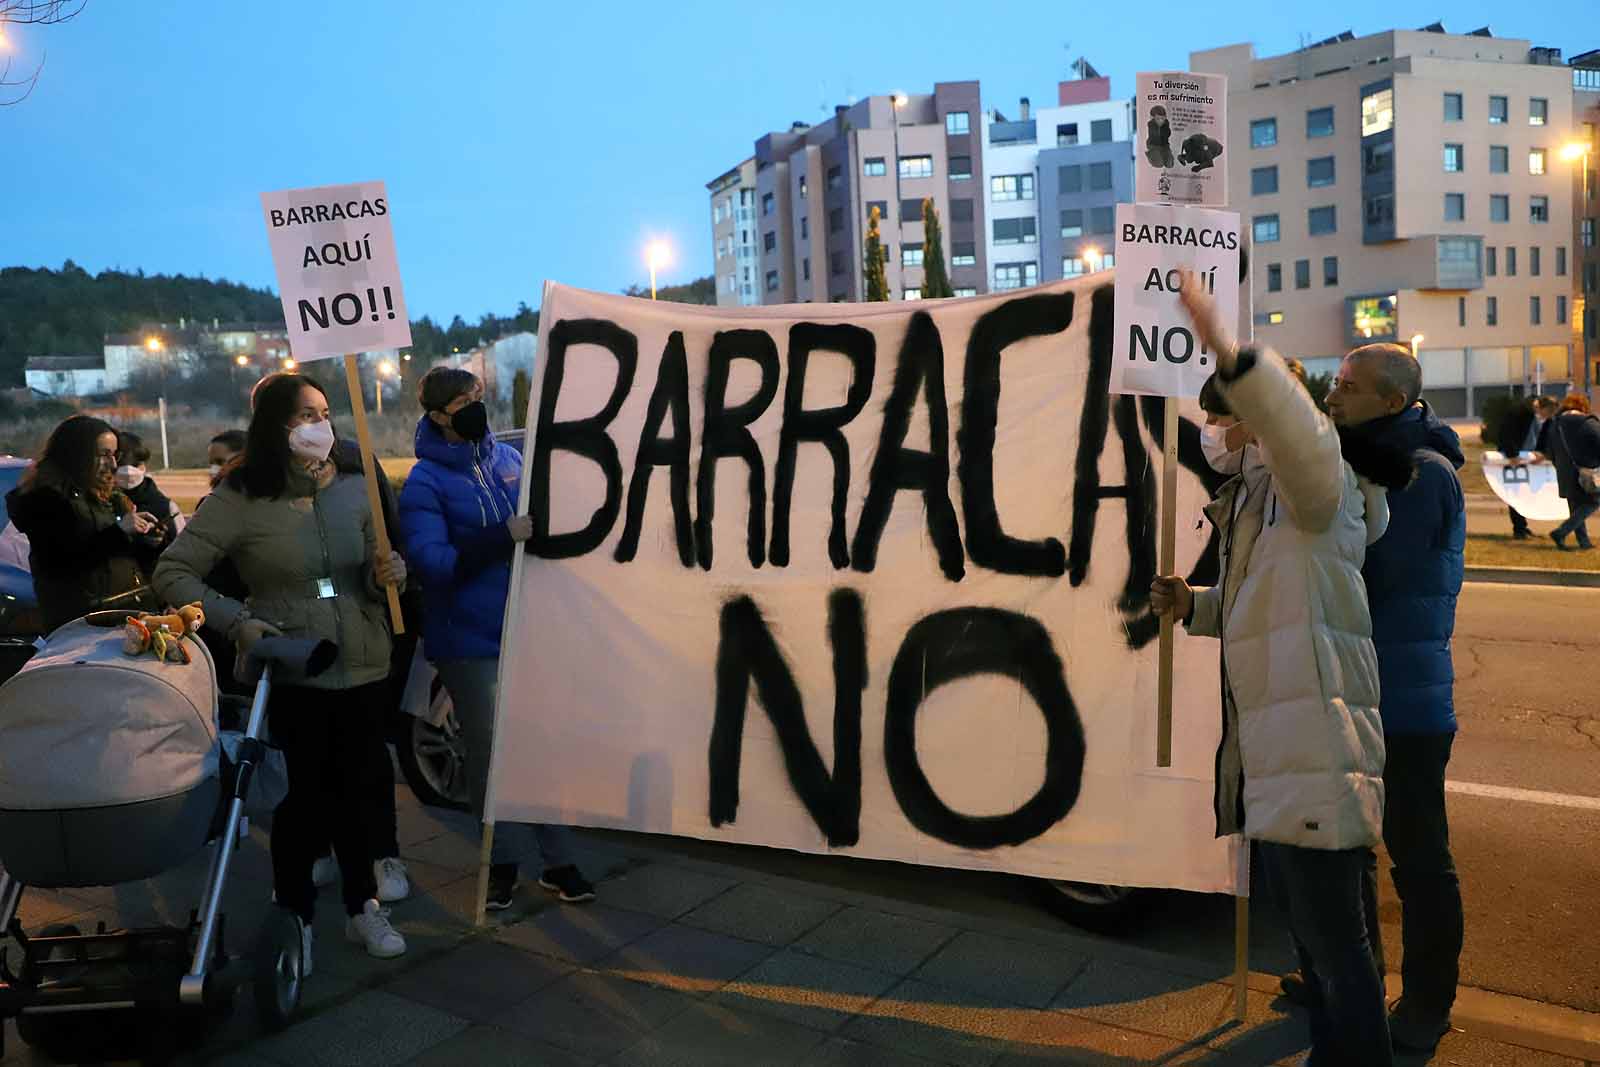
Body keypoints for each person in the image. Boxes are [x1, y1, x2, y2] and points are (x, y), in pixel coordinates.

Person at [1150, 273, 1394, 1067]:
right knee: (1332, 947)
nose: (1218, 426)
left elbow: (1299, 434)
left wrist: (1229, 348)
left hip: (1317, 752)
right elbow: (1266, 600)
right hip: (1291, 753)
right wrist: (1195, 604)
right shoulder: (1262, 498)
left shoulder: (1320, 485)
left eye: (1230, 413)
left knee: (1338, 953)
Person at [154, 374, 409, 965]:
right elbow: (174, 572)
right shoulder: (239, 496)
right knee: (300, 800)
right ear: (274, 426)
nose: (319, 425)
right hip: (295, 668)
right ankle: (293, 916)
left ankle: (363, 908)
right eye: (303, 417)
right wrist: (238, 621)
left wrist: (389, 573)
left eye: (324, 412)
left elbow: (376, 566)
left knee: (357, 794)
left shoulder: (354, 486)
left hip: (364, 663)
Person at [398, 366, 596, 910]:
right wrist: (498, 538)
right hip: (467, 639)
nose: (477, 405)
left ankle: (559, 861)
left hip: (525, 630)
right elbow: (433, 563)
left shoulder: (506, 460)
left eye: (479, 395)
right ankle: (502, 863)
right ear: (440, 416)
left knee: (541, 746)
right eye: (465, 400)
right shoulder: (425, 482)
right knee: (490, 754)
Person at [1323, 344, 1467, 1053]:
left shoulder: (1420, 473)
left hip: (1403, 704)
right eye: (1333, 381)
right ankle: (1358, 978)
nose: (1332, 393)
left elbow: (1370, 573)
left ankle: (1428, 1002)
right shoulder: (1362, 459)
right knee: (1353, 848)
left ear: (1389, 401)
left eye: (1347, 386)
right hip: (1362, 692)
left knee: (1418, 858)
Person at [4, 414, 162, 630]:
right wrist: (120, 530)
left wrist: (148, 541)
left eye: (115, 455)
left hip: (119, 614)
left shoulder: (104, 494)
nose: (113, 464)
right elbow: (61, 563)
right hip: (82, 624)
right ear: (76, 455)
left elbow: (117, 559)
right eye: (104, 455)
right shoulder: (46, 499)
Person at [1539, 393, 1600, 551]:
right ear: (1582, 407)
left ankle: (1584, 542)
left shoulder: (1555, 424)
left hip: (1565, 474)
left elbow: (1549, 451)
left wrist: (1559, 465)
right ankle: (1561, 532)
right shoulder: (1587, 422)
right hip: (1587, 472)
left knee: (1575, 506)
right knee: (1593, 502)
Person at [1497, 396, 1558, 538]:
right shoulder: (1518, 412)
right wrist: (1512, 455)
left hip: (1529, 456)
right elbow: (1507, 433)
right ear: (1540, 408)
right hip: (1515, 457)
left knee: (1526, 491)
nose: (1546, 418)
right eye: (1546, 414)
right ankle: (1519, 528)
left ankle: (1522, 527)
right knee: (1515, 491)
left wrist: (1542, 452)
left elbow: (1544, 435)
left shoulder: (1544, 416)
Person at [114, 430, 185, 546]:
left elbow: (182, 549)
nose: (128, 470)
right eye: (121, 464)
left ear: (144, 466)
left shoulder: (166, 507)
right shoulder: (97, 504)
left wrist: (161, 543)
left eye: (135, 465)